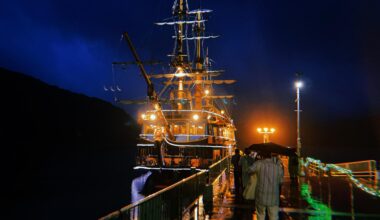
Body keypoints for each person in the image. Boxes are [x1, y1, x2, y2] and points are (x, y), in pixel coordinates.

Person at [249, 151, 284, 220]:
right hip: (273, 197)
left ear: (262, 156)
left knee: (260, 215)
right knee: (274, 216)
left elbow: (249, 170)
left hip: (261, 196)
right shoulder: (278, 167)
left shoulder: (259, 164)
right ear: (270, 156)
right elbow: (281, 181)